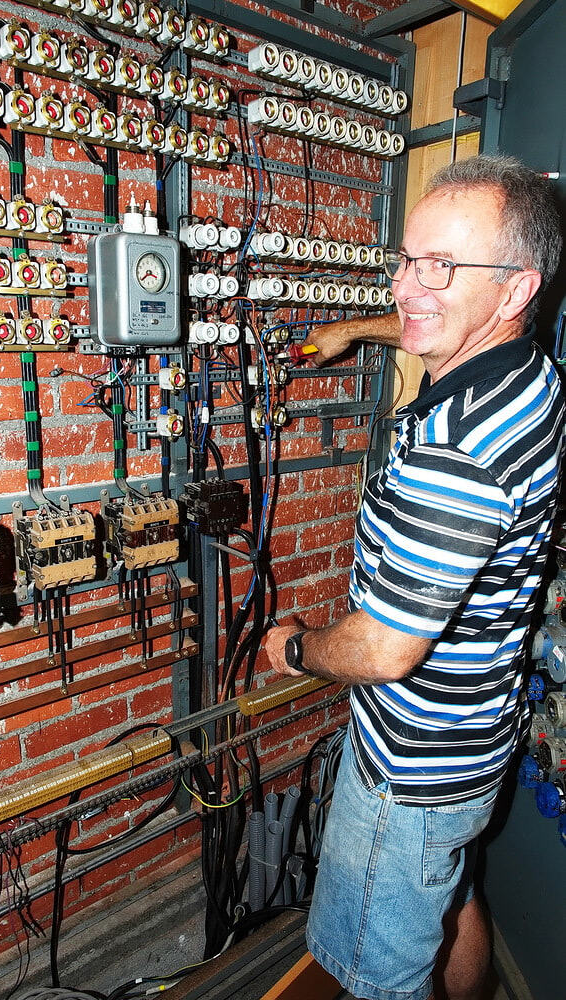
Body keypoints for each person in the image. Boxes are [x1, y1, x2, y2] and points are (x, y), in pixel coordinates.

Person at [263, 155, 565, 1000]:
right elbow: (434, 320)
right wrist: (356, 331)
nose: (405, 285)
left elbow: (383, 649)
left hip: (411, 771)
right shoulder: (528, 372)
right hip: (473, 739)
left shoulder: (454, 453)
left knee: (377, 972)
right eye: (404, 259)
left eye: (439, 265)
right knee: (450, 890)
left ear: (513, 289)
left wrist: (295, 649)